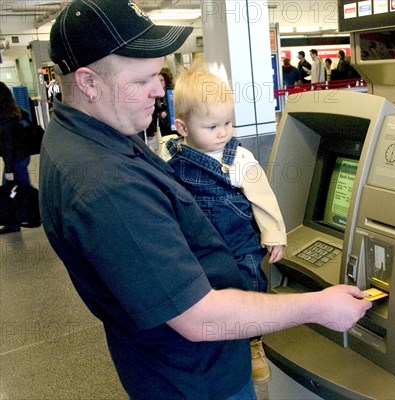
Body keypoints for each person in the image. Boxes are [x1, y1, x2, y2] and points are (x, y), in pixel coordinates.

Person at [40, 1, 371, 399]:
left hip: (169, 365)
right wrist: (317, 307)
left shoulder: (86, 135)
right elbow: (198, 318)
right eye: (142, 80)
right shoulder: (106, 187)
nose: (158, 91)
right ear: (89, 82)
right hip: (196, 380)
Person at [165, 68, 287, 384]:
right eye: (212, 126)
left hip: (242, 247)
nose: (223, 133)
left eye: (228, 123)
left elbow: (263, 197)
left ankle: (254, 343)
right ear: (182, 127)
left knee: (251, 289)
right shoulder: (172, 159)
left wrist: (274, 234)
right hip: (200, 250)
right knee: (210, 297)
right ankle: (220, 341)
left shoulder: (239, 158)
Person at [0, 81, 31, 234]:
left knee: (8, 191)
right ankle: (30, 215)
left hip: (15, 160)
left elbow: (7, 146)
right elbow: (25, 114)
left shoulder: (3, 118)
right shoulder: (15, 111)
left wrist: (8, 169)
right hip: (23, 156)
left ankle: (13, 223)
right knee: (24, 189)